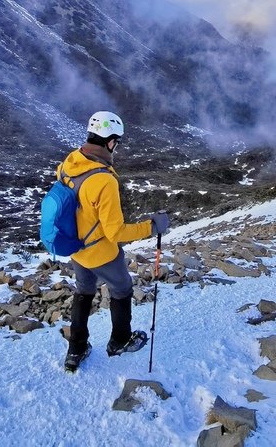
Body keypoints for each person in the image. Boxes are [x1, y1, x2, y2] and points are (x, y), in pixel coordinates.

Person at [60, 111, 170, 373]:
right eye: (116, 141)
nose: (116, 146)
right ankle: (119, 341)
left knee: (83, 291)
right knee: (122, 288)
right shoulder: (104, 180)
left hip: (76, 247)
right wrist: (152, 226)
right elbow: (116, 233)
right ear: (109, 141)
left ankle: (76, 349)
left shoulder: (69, 163)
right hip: (101, 252)